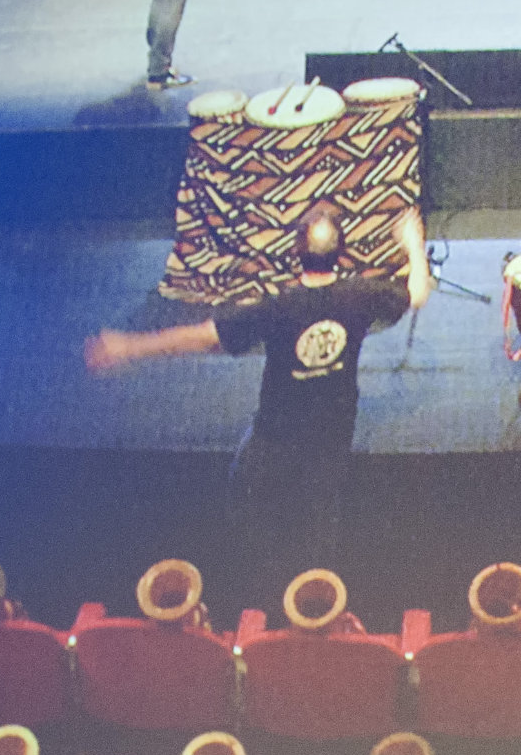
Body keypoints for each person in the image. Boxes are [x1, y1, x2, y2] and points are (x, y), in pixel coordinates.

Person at [85, 205, 429, 591]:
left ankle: (257, 585)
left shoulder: (276, 310)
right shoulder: (361, 296)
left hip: (276, 430)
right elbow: (417, 293)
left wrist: (129, 346)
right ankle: (315, 596)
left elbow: (201, 338)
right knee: (321, 519)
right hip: (332, 430)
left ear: (296, 255)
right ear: (343, 255)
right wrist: (413, 244)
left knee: (251, 501)